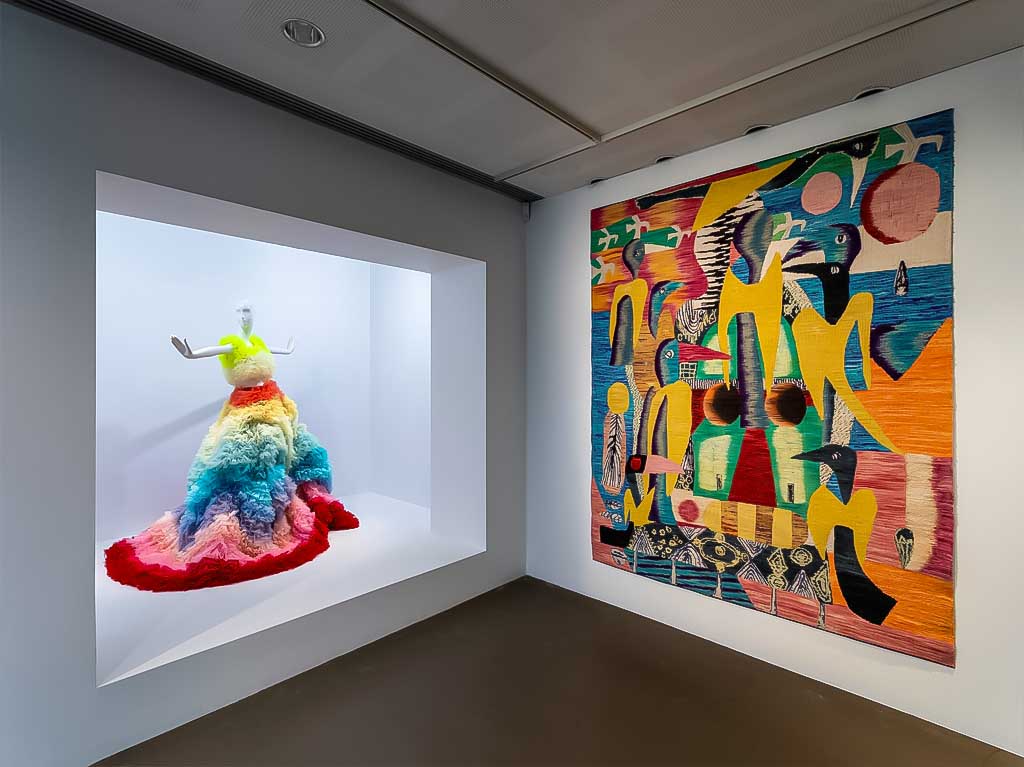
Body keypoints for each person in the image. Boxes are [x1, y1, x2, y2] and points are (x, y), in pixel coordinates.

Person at [105, 303, 357, 591]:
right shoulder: (232, 345)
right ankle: (250, 521)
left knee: (293, 455)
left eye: (248, 312)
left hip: (273, 402)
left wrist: (289, 348)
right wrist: (190, 352)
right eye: (240, 313)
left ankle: (280, 505)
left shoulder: (259, 343)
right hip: (247, 409)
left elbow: (280, 351)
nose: (245, 317)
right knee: (247, 464)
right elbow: (208, 352)